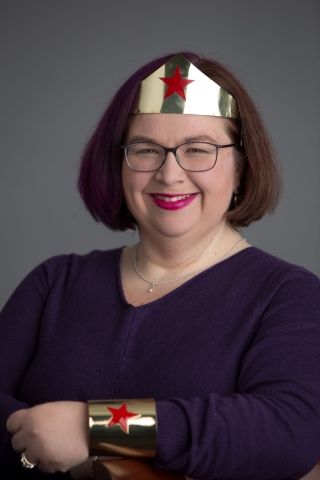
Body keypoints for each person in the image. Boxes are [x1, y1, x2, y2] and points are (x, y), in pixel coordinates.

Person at [1, 52, 320, 480]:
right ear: (119, 164)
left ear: (241, 168)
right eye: (147, 150)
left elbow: (289, 431)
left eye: (198, 150)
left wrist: (98, 431)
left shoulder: (288, 294)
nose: (170, 174)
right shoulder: (54, 282)